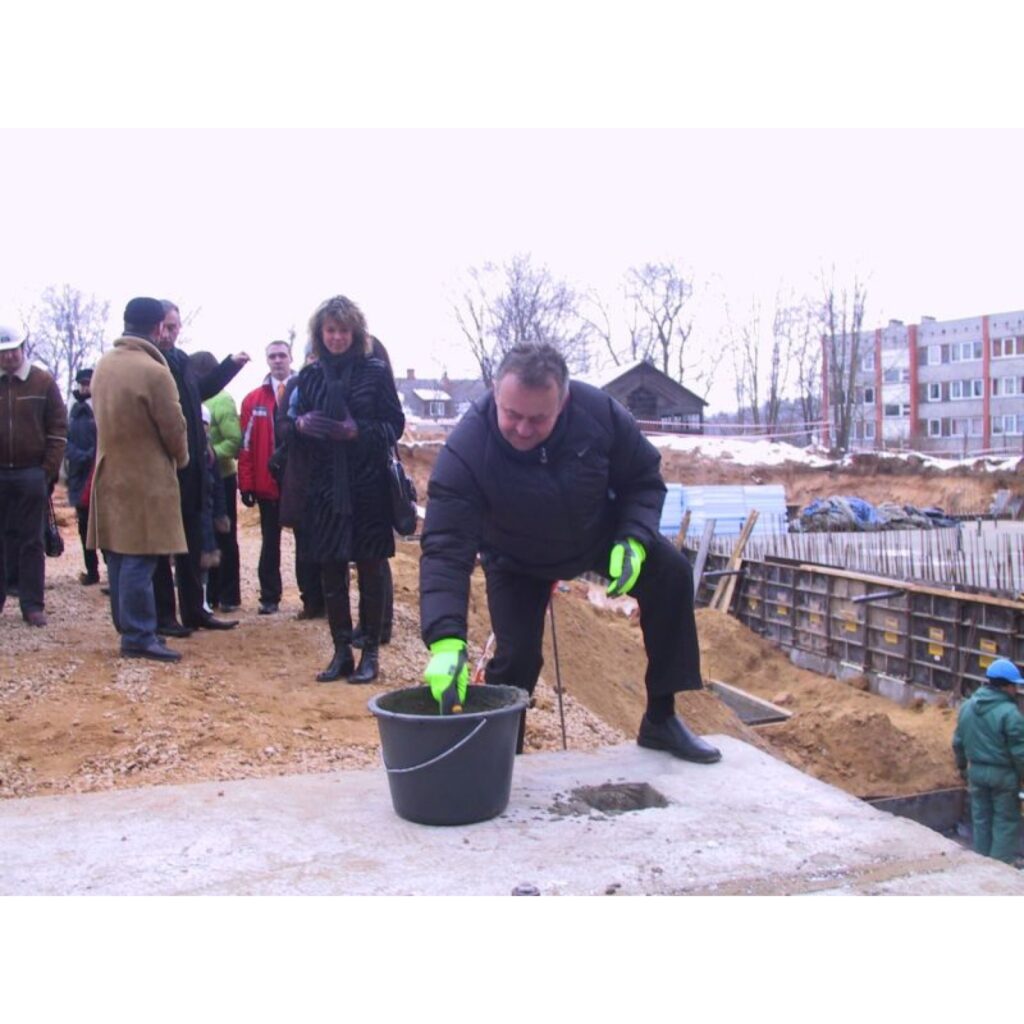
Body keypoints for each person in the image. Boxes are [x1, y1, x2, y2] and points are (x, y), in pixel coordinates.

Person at [419, 342, 721, 762]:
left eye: (538, 418)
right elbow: (445, 549)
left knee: (669, 573)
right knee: (518, 656)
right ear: (495, 392)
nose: (523, 429)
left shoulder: (598, 414)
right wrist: (446, 639)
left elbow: (643, 479)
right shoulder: (467, 450)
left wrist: (633, 538)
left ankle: (661, 719)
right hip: (514, 557)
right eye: (512, 415)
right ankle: (503, 756)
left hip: (593, 534)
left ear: (563, 401)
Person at [279, 295, 404, 684]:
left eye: (343, 330)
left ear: (355, 332)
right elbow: (287, 430)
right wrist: (301, 426)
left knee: (369, 569)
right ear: (320, 333)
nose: (336, 337)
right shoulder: (309, 377)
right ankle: (340, 652)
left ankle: (369, 653)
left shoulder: (375, 371)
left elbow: (394, 425)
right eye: (330, 330)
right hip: (324, 489)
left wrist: (358, 431)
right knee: (331, 571)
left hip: (367, 487)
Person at [87, 298, 189, 662]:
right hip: (145, 478)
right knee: (141, 557)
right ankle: (139, 635)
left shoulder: (104, 365)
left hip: (109, 471)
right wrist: (182, 457)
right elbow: (173, 427)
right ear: (159, 327)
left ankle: (128, 627)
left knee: (118, 554)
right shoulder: (153, 370)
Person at [151, 301, 248, 635]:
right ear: (152, 326)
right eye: (164, 325)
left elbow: (199, 392)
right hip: (162, 470)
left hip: (193, 469)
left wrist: (229, 367)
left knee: (193, 542)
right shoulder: (149, 362)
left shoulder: (181, 361)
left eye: (175, 326)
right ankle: (165, 616)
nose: (169, 332)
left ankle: (195, 610)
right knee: (162, 547)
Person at [0, 322, 68, 627]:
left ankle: (32, 604)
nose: (9, 357)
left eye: (13, 350)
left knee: (32, 540)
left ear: (22, 348)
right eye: (3, 352)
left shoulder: (43, 382)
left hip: (31, 473)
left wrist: (46, 471)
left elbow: (58, 428)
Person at [238, 339, 296, 615]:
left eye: (282, 355)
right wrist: (246, 483)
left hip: (299, 482)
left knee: (306, 542)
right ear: (267, 360)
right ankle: (270, 596)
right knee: (269, 540)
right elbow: (245, 446)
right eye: (272, 356)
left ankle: (312, 597)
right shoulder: (254, 400)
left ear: (290, 358)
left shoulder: (305, 391)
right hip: (267, 483)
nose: (277, 360)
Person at [952, 658, 1024, 865]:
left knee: (981, 820)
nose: (1016, 691)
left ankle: (981, 866)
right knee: (1005, 821)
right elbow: (1020, 753)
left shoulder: (967, 707)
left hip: (976, 773)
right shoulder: (1011, 715)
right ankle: (1000, 869)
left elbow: (958, 742)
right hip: (1003, 777)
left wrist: (963, 769)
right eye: (1015, 686)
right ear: (1006, 686)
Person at [189, 351, 242, 612]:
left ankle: (229, 595)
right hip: (197, 479)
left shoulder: (223, 400)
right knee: (201, 535)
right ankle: (207, 596)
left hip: (222, 476)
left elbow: (234, 441)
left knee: (225, 535)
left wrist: (207, 457)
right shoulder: (189, 396)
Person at [65, 366, 100, 585]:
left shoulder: (101, 406)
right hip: (79, 474)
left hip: (97, 471)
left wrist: (93, 455)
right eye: (82, 383)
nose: (85, 386)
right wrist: (79, 456)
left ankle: (112, 574)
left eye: (89, 382)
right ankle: (92, 571)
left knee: (103, 524)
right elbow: (64, 439)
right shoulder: (71, 409)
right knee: (84, 526)